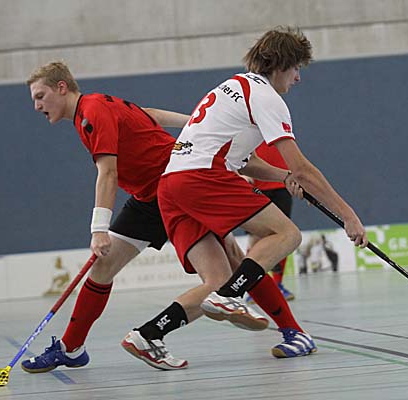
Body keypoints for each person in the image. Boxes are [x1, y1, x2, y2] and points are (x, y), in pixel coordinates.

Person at [22, 61, 307, 373]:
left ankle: (291, 331)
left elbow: (108, 173)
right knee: (104, 267)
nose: (37, 106)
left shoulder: (93, 111)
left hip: (176, 188)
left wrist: (99, 229)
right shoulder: (94, 109)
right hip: (147, 198)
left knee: (229, 266)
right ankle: (72, 348)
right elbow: (149, 114)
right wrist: (195, 123)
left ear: (62, 88)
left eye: (40, 96)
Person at [125, 26, 368, 367]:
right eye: (296, 68)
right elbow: (303, 169)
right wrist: (349, 216)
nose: (298, 78)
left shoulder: (232, 87)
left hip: (172, 186)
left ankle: (148, 335)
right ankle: (230, 296)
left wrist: (282, 177)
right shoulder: (267, 98)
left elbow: (244, 160)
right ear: (281, 65)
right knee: (287, 235)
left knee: (223, 276)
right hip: (202, 176)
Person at [243, 142, 295, 302]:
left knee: (285, 234)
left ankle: (278, 284)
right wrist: (240, 173)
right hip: (256, 185)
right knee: (255, 237)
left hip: (281, 184)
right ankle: (252, 287)